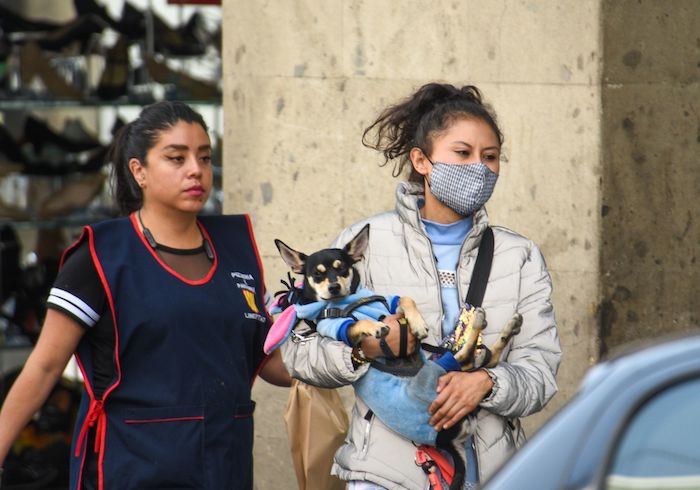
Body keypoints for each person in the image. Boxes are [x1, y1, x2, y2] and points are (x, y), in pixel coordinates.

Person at [281, 82, 561, 489]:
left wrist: (487, 383)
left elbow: (541, 372)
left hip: (494, 474)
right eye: (462, 153)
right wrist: (365, 348)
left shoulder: (519, 256)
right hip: (384, 474)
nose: (479, 169)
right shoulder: (366, 242)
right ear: (422, 160)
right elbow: (299, 352)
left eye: (491, 157)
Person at [0, 101, 291, 490]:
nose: (196, 170)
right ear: (139, 170)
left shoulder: (235, 251)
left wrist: (352, 352)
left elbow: (269, 359)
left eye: (204, 158)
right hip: (131, 465)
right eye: (176, 158)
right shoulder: (103, 256)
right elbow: (45, 367)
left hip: (223, 463)